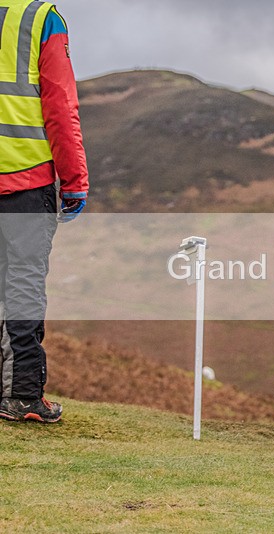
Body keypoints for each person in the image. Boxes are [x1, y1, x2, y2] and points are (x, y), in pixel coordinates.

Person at [0, 0, 89, 423]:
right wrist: (74, 181)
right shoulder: (40, 18)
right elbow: (59, 106)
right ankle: (21, 396)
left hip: (23, 179)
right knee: (22, 285)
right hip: (24, 178)